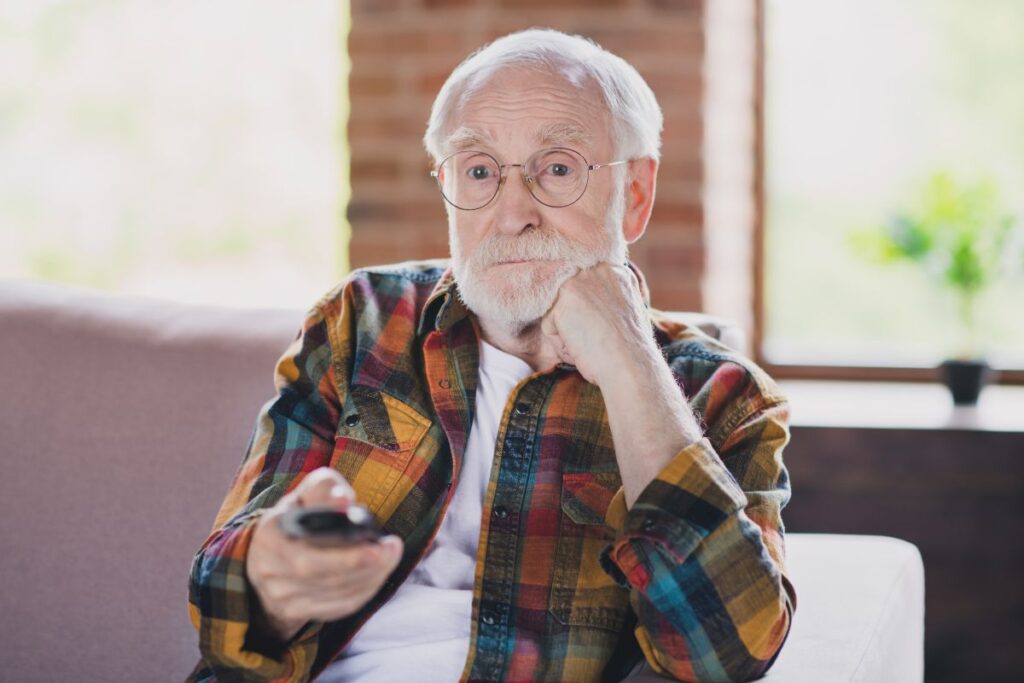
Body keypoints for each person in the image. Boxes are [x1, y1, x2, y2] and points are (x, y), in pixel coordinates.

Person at [187, 28, 796, 683]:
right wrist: (275, 582)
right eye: (479, 171)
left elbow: (729, 653)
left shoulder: (724, 395)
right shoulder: (360, 320)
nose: (511, 215)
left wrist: (627, 360)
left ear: (637, 195)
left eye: (556, 169)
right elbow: (221, 599)